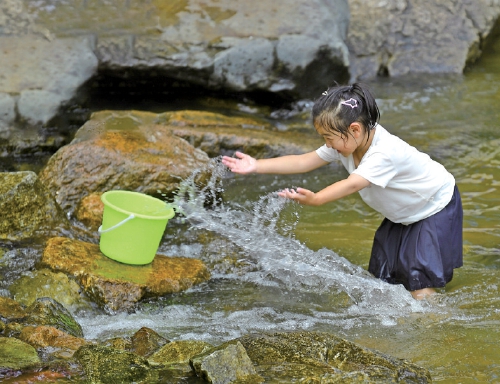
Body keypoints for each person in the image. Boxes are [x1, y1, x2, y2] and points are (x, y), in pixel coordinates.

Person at [221, 83, 463, 300]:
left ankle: (434, 327)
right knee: (385, 276)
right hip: (404, 212)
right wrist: (257, 165)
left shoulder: (384, 153)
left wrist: (317, 199)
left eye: (329, 137)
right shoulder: (345, 142)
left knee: (418, 280)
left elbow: (353, 184)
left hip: (433, 206)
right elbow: (304, 161)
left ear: (355, 129)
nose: (327, 144)